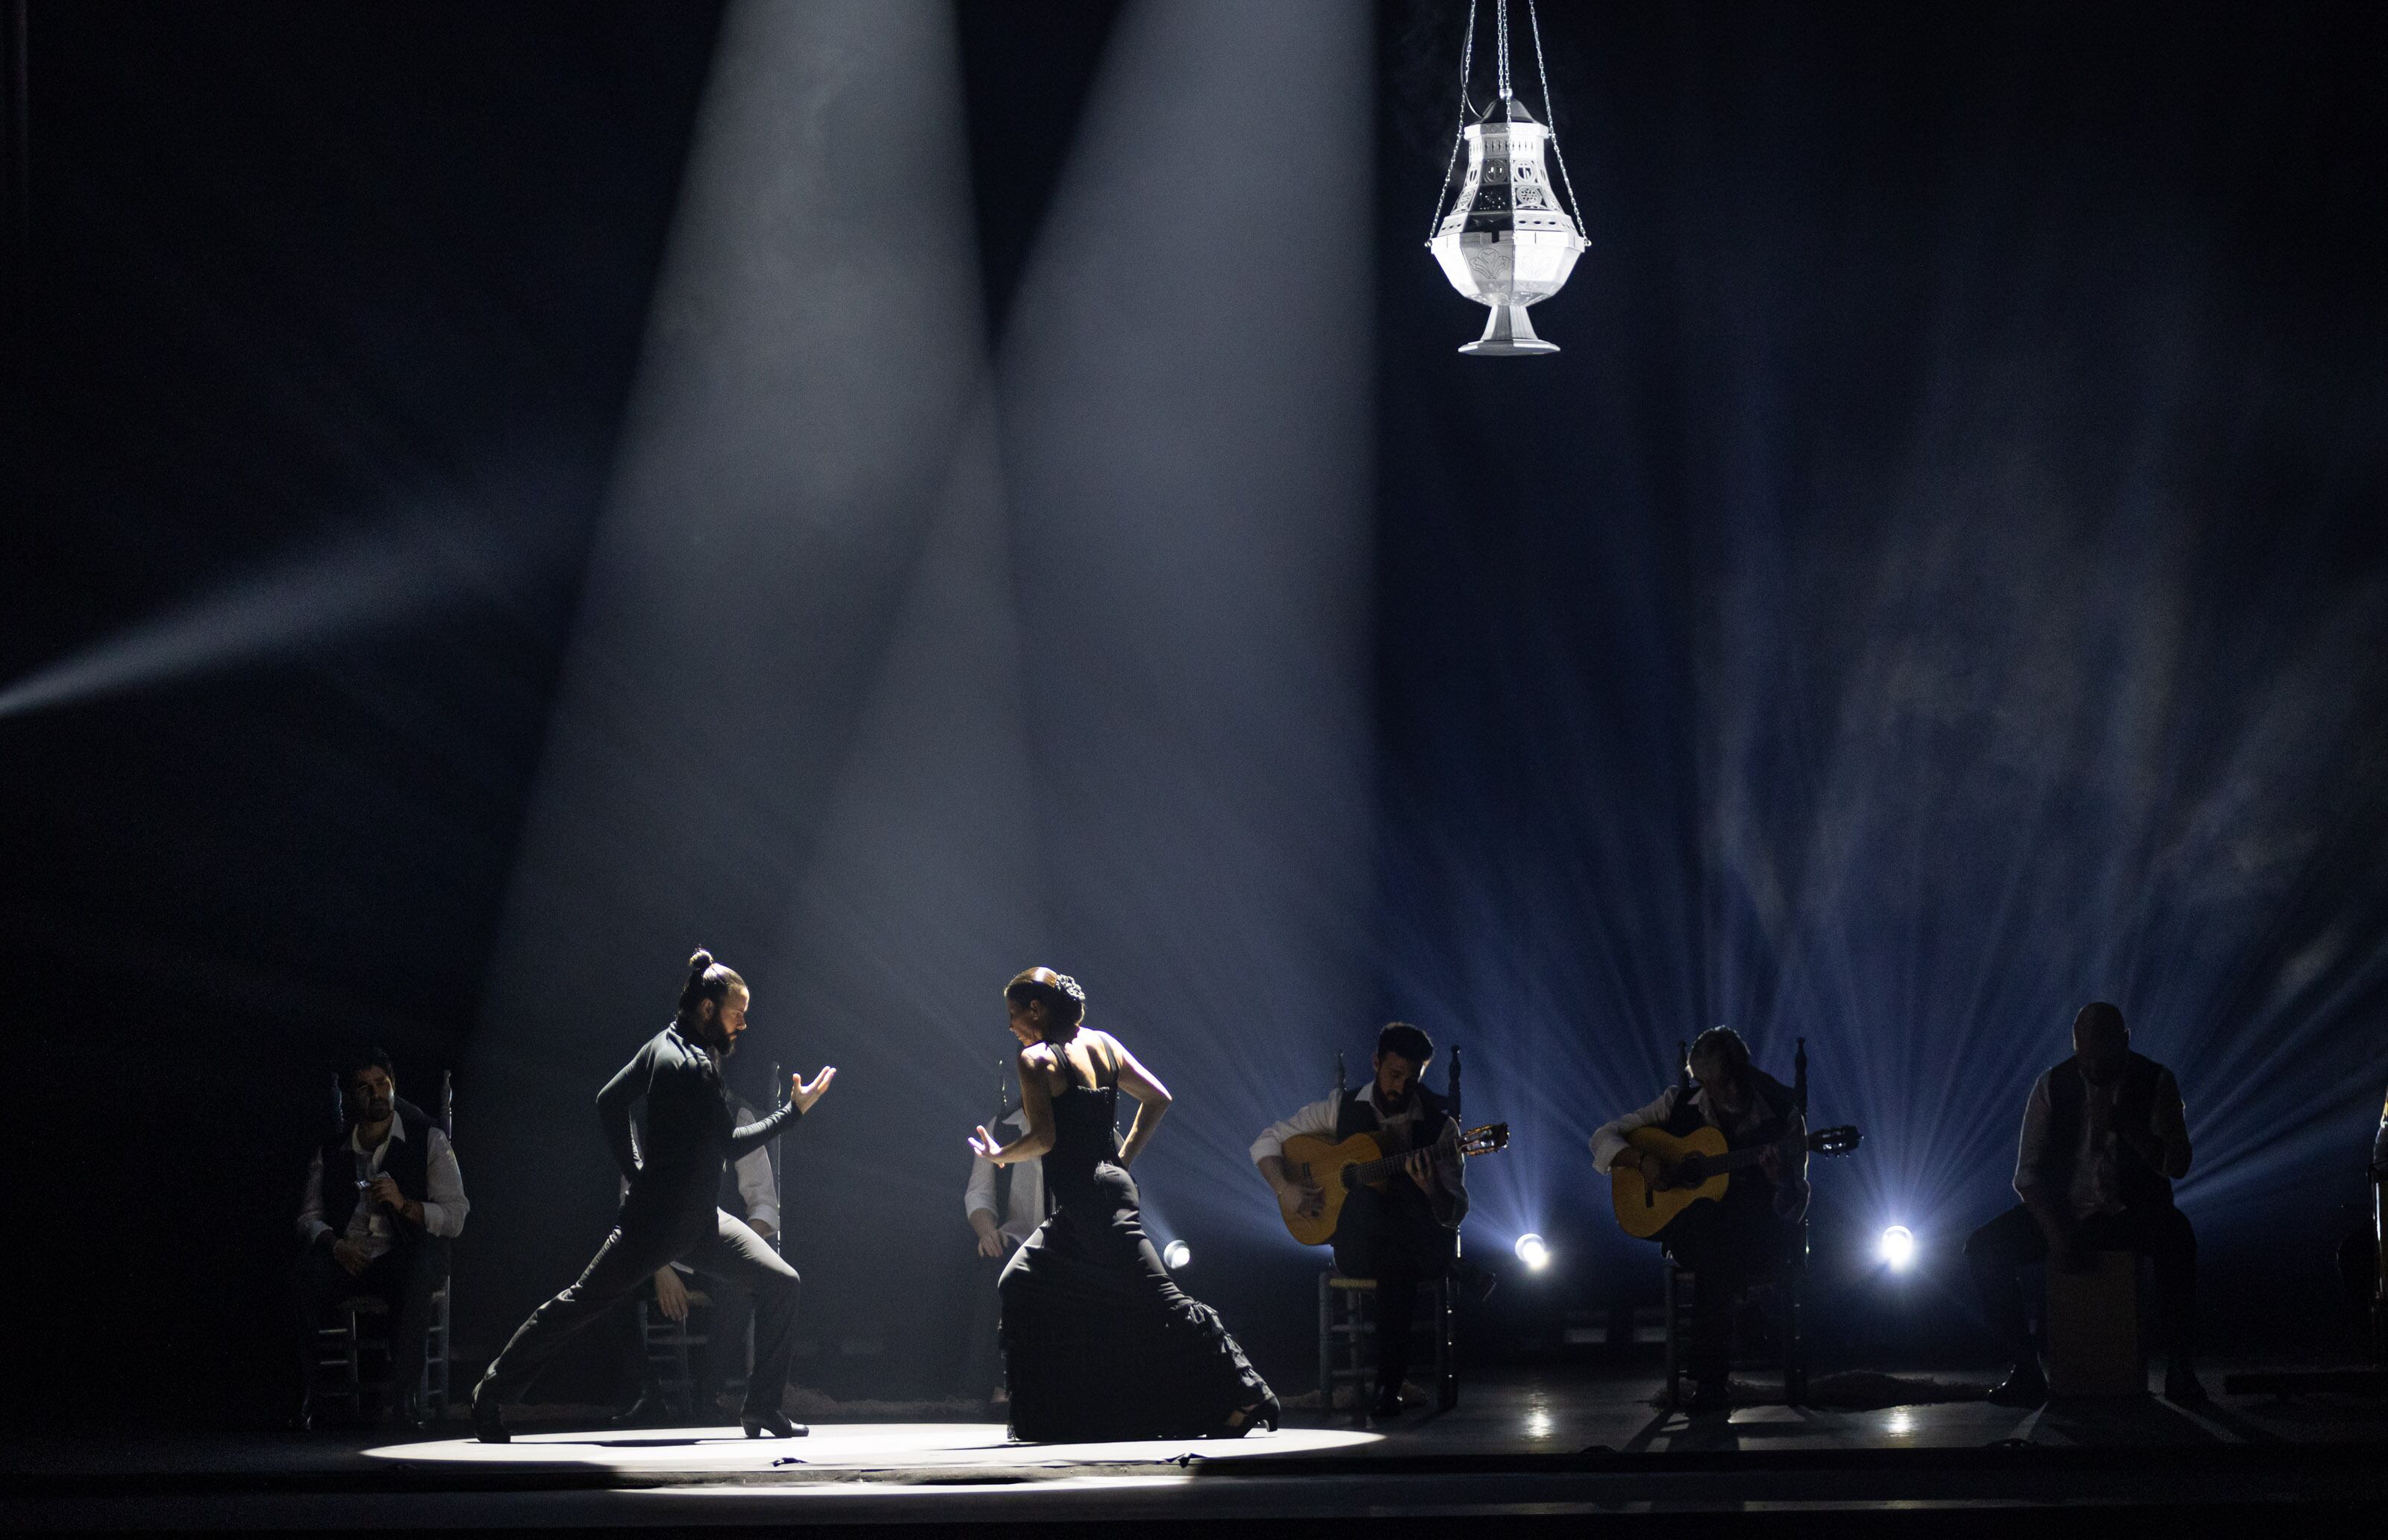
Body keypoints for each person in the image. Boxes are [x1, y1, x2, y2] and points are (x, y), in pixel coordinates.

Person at [469, 948, 836, 1443]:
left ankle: (762, 1408)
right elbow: (730, 1144)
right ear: (707, 1010)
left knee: (781, 1283)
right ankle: (490, 1396)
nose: (744, 1024)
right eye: (737, 1013)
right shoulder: (691, 1067)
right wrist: (793, 1113)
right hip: (654, 1228)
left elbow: (609, 1102)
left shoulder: (663, 1044)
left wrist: (634, 1168)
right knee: (579, 1304)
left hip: (700, 1221)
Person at [970, 967, 1276, 1440]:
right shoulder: (1105, 1044)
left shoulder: (1036, 1060)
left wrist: (1000, 1155)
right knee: (1022, 1280)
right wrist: (1119, 1162)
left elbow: (1045, 1138)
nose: (1010, 1025)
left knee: (1160, 1298)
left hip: (1093, 1202)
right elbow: (1158, 1098)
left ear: (1037, 1010)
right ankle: (1058, 1414)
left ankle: (1248, 1389)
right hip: (1094, 1197)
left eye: (1014, 1014)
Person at [1965, 1002, 2202, 1405]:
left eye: (2103, 1057)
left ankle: (2181, 1368)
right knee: (1983, 1249)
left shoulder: (2157, 1080)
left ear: (2125, 1041)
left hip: (2134, 1211)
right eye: (2084, 1057)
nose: (2092, 1068)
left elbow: (2177, 1164)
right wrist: (2056, 1230)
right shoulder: (2051, 1085)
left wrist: (2124, 1124)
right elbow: (2028, 1176)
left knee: (2178, 1239)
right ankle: (2026, 1369)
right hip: (2066, 1211)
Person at [1251, 1022, 1468, 1417]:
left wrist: (1431, 1189)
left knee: (1396, 1264)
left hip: (1406, 1257)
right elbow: (1266, 1141)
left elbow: (1453, 1210)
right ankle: (1466, 1273)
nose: (1400, 1087)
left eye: (1411, 1079)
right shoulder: (1340, 1108)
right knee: (1367, 1197)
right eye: (1393, 1075)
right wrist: (1287, 1189)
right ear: (1376, 1063)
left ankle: (1388, 1388)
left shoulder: (1442, 1130)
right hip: (1357, 1247)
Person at [1589, 1027, 1808, 1414]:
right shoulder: (1677, 1103)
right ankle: (1717, 1365)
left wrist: (1780, 1183)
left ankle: (1709, 1381)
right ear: (1702, 1080)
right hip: (1698, 1233)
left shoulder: (1781, 1116)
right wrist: (1643, 1160)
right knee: (1708, 1221)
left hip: (1756, 1237)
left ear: (1747, 1070)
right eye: (1718, 1083)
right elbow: (1603, 1138)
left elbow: (1795, 1207)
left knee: (1717, 1248)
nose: (1731, 1091)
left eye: (1736, 1078)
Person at [293, 1049, 469, 1431]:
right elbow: (308, 1217)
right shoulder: (332, 1149)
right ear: (353, 1097)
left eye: (381, 1084)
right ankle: (309, 1395)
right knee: (303, 1275)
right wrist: (334, 1245)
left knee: (417, 1270)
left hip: (401, 1254)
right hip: (349, 1256)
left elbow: (456, 1215)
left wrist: (405, 1204)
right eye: (363, 1087)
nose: (375, 1093)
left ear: (393, 1087)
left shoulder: (430, 1140)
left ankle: (405, 1399)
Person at [617, 1084, 782, 1425]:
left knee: (745, 1287)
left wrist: (738, 1255)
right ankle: (649, 1397)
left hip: (714, 1247)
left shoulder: (736, 1113)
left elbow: (764, 1203)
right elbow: (631, 1204)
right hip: (657, 1250)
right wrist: (661, 1268)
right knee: (608, 1290)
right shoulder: (644, 1117)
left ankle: (710, 1395)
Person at [961, 1104, 1044, 1403]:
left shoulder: (1081, 1117)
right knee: (997, 1258)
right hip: (1018, 1236)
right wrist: (987, 1231)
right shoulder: (1004, 1126)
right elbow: (979, 1195)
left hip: (1070, 1238)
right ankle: (1000, 1385)